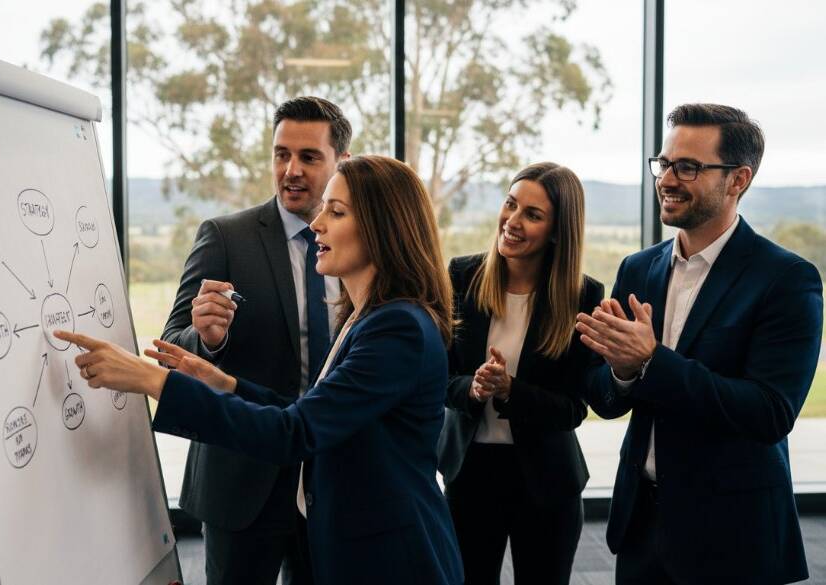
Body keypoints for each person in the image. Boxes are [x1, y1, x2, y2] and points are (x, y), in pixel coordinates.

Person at [56, 155, 464, 585]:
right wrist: (223, 383)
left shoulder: (396, 328)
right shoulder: (367, 317)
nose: (319, 223)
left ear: (385, 228)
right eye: (325, 207)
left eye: (336, 211)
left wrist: (152, 379)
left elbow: (295, 433)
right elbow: (311, 412)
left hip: (392, 559)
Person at [577, 104, 823, 585]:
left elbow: (770, 412)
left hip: (731, 536)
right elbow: (603, 397)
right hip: (641, 528)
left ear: (738, 180)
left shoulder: (786, 279)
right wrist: (624, 372)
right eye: (664, 164)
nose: (667, 178)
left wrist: (651, 361)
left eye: (687, 167)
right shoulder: (637, 269)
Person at [159, 96, 350, 585]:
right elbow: (171, 346)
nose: (291, 169)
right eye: (281, 154)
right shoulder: (225, 237)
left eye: (309, 157)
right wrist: (207, 339)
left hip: (334, 475)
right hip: (241, 479)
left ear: (341, 163)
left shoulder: (357, 243)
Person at [438, 162, 603, 584]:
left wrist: (512, 390)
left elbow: (571, 410)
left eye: (532, 214)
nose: (512, 221)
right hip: (470, 473)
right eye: (511, 205)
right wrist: (473, 388)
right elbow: (440, 379)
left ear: (557, 231)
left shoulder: (583, 295)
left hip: (546, 479)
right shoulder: (463, 275)